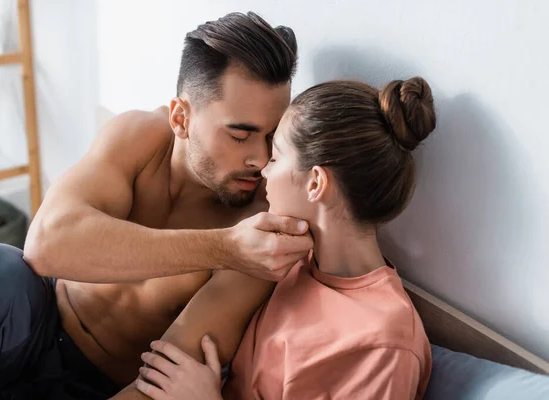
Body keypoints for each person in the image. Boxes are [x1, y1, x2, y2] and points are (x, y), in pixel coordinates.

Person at [0, 12, 313, 400]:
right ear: (180, 117)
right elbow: (45, 245)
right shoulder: (140, 136)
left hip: (97, 388)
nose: (260, 158)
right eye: (241, 134)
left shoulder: (261, 226)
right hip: (32, 325)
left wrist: (239, 251)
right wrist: (225, 247)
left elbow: (165, 378)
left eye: (272, 137)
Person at [132, 77, 437, 400]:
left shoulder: (385, 343)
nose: (263, 169)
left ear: (315, 184)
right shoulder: (287, 264)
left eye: (275, 157)